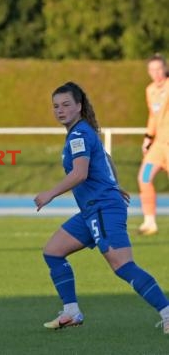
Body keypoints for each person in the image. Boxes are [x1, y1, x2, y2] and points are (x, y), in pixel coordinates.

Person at [34, 81, 169, 334]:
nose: (60, 110)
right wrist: (114, 185)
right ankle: (71, 311)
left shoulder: (79, 134)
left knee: (122, 265)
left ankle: (167, 311)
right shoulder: (82, 131)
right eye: (55, 106)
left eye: (66, 105)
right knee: (53, 251)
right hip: (93, 209)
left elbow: (80, 173)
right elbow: (106, 158)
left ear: (79, 106)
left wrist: (50, 193)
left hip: (102, 208)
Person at [137, 53, 169, 235]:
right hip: (158, 147)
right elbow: (153, 116)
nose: (156, 73)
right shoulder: (150, 90)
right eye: (152, 69)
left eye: (159, 69)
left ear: (165, 68)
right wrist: (148, 138)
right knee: (144, 177)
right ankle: (150, 222)